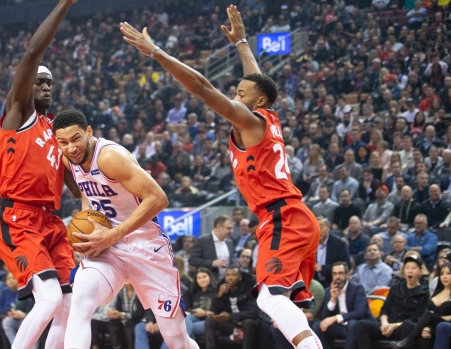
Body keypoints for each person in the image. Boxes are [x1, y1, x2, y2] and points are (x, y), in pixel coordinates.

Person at [120, 5, 322, 348]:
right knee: (281, 300)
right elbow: (257, 82)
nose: (234, 97)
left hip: (282, 216)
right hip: (293, 216)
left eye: (240, 95)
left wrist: (156, 52)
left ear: (255, 102)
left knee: (270, 299)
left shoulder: (251, 120)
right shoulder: (266, 113)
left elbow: (200, 87)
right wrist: (242, 43)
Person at [52, 110, 198, 349]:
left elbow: (158, 198)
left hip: (145, 245)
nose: (71, 147)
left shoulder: (110, 157)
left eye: (76, 138)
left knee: (176, 341)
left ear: (89, 132)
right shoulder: (69, 159)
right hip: (109, 249)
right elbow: (86, 192)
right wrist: (90, 223)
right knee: (79, 300)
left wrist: (111, 235)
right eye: (64, 142)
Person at [0, 1, 81, 349]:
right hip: (18, 216)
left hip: (51, 223)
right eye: (38, 81)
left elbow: (77, 186)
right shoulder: (18, 111)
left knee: (70, 305)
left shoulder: (58, 133)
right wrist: (64, 5)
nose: (44, 86)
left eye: (49, 83)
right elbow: (33, 51)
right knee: (49, 300)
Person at [312, 262, 373, 349]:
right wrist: (333, 299)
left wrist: (335, 318)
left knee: (352, 323)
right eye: (335, 274)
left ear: (347, 275)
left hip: (358, 325)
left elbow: (360, 312)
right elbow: (324, 317)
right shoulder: (329, 290)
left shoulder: (357, 289)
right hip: (340, 327)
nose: (337, 276)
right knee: (318, 325)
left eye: (340, 273)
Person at [390, 262, 451, 349]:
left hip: (446, 324)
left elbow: (431, 315)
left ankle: (409, 340)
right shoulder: (435, 292)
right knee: (422, 330)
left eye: (448, 273)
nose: (444, 277)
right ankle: (408, 341)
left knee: (429, 315)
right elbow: (427, 311)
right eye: (442, 274)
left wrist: (433, 317)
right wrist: (427, 325)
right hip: (432, 323)